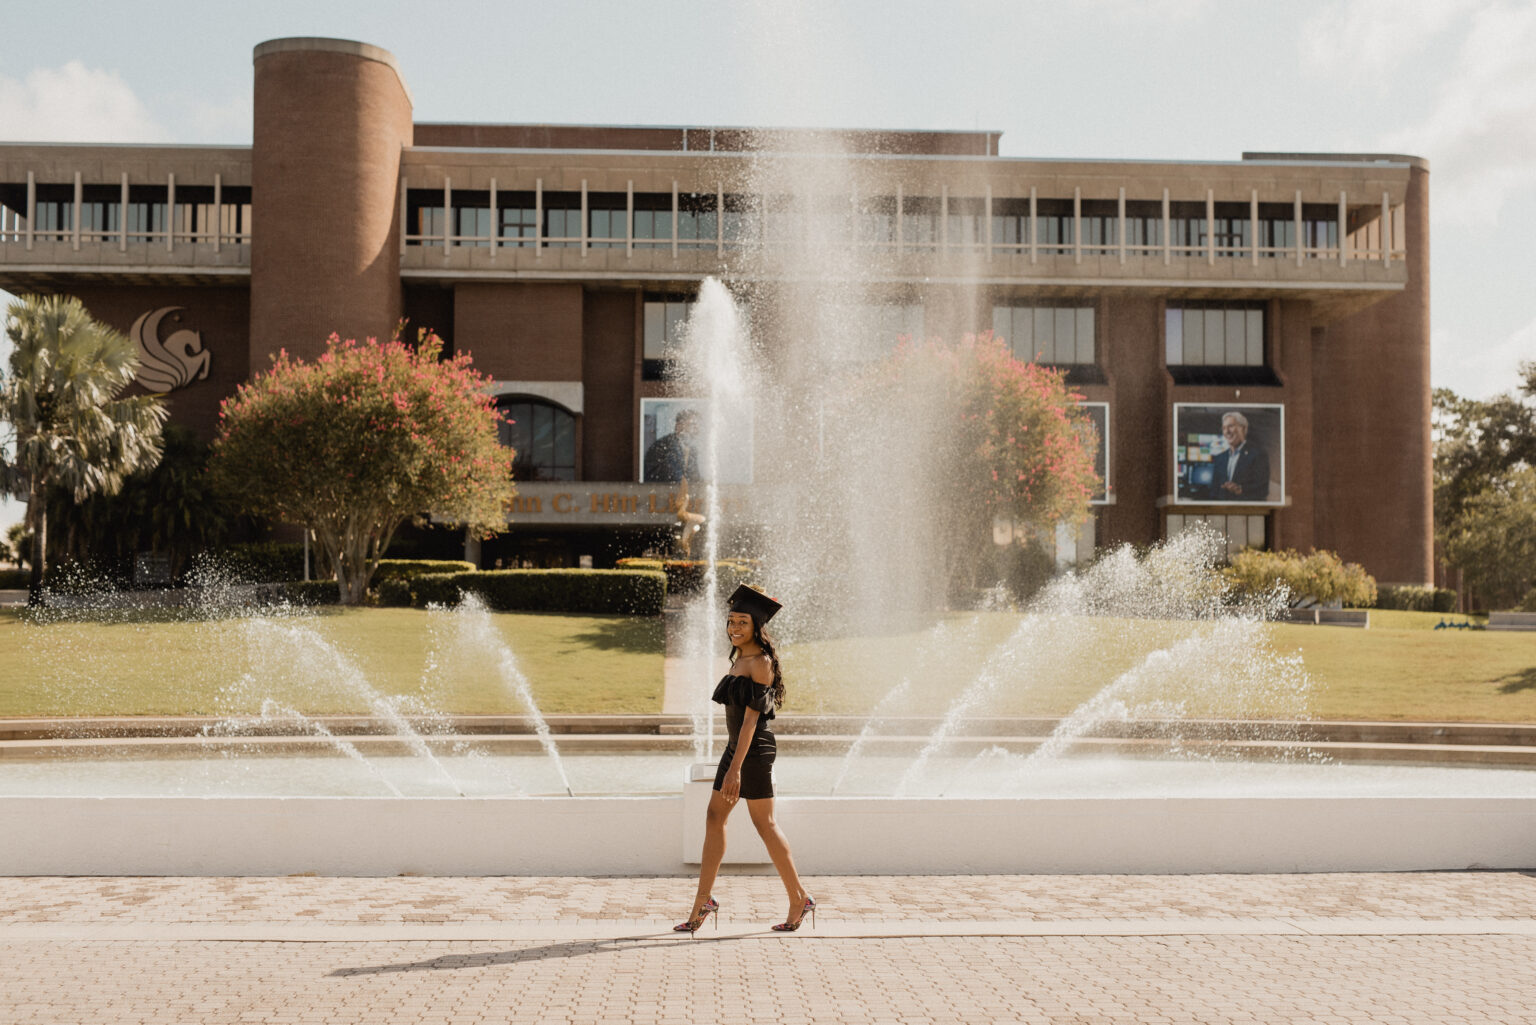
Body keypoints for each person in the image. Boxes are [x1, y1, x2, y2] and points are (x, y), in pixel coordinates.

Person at [676, 584, 815, 935]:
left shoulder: (762, 663)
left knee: (764, 824)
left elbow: (753, 719)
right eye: (730, 621)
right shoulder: (740, 658)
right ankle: (703, 900)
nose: (734, 628)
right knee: (714, 816)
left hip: (752, 750)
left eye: (742, 622)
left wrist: (735, 769)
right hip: (736, 748)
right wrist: (732, 761)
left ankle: (799, 898)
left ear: (756, 625)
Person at [1208, 410, 1270, 501]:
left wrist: (1241, 490)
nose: (1227, 431)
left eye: (1231, 426)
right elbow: (1214, 492)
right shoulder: (1219, 458)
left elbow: (1263, 490)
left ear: (1244, 429)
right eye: (1224, 428)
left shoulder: (1258, 455)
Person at [643, 408, 701, 482]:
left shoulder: (692, 450)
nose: (697, 430)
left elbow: (695, 478)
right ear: (679, 426)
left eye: (698, 426)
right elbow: (672, 476)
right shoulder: (663, 445)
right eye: (693, 425)